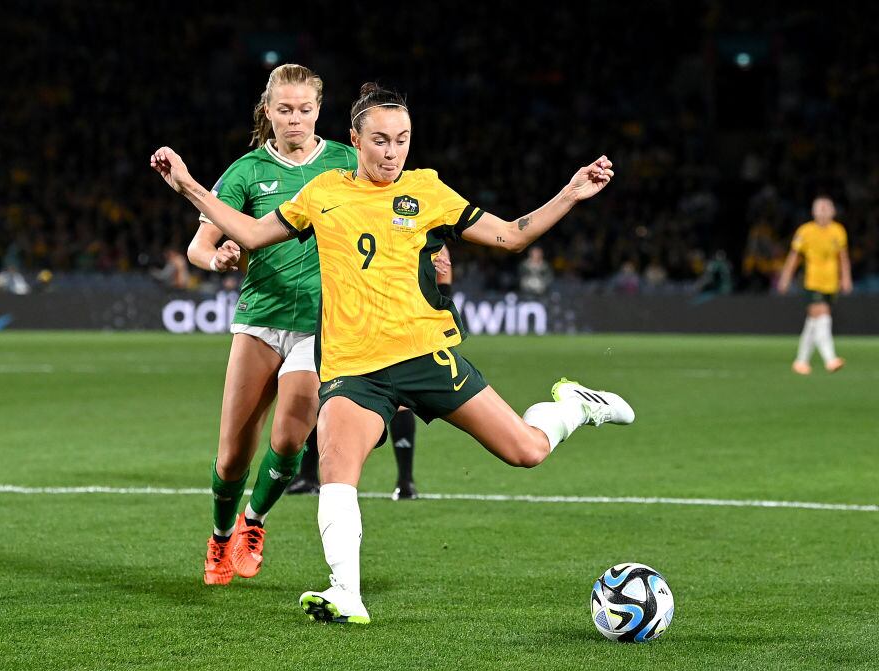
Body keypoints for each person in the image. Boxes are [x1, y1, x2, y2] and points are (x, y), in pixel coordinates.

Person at [151, 83, 634, 624]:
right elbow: (248, 233)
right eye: (380, 140)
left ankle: (574, 405)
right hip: (354, 369)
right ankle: (345, 593)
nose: (391, 152)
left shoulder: (427, 190)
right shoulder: (324, 191)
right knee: (337, 468)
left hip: (425, 354)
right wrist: (188, 185)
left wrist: (570, 193)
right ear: (354, 139)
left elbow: (510, 237)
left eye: (402, 140)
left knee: (525, 451)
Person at [185, 64, 357, 586]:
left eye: (306, 109)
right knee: (234, 452)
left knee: (288, 438)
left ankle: (253, 523)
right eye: (285, 109)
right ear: (268, 111)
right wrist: (217, 260)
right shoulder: (245, 171)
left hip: (318, 326)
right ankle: (219, 540)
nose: (296, 119)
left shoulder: (347, 164)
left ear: (319, 111)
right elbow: (199, 246)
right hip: (260, 319)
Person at [286, 246, 453, 500]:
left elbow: (444, 269)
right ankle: (308, 475)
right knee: (326, 388)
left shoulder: (413, 219)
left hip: (397, 318)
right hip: (352, 317)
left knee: (396, 397)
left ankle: (405, 480)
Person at [776, 196, 852, 374]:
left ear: (833, 211)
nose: (824, 210)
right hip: (812, 282)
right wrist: (785, 278)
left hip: (831, 283)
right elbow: (794, 257)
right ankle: (830, 359)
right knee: (823, 317)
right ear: (813, 211)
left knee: (813, 322)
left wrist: (846, 278)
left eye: (827, 207)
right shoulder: (805, 231)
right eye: (820, 207)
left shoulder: (838, 231)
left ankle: (801, 361)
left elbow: (843, 258)